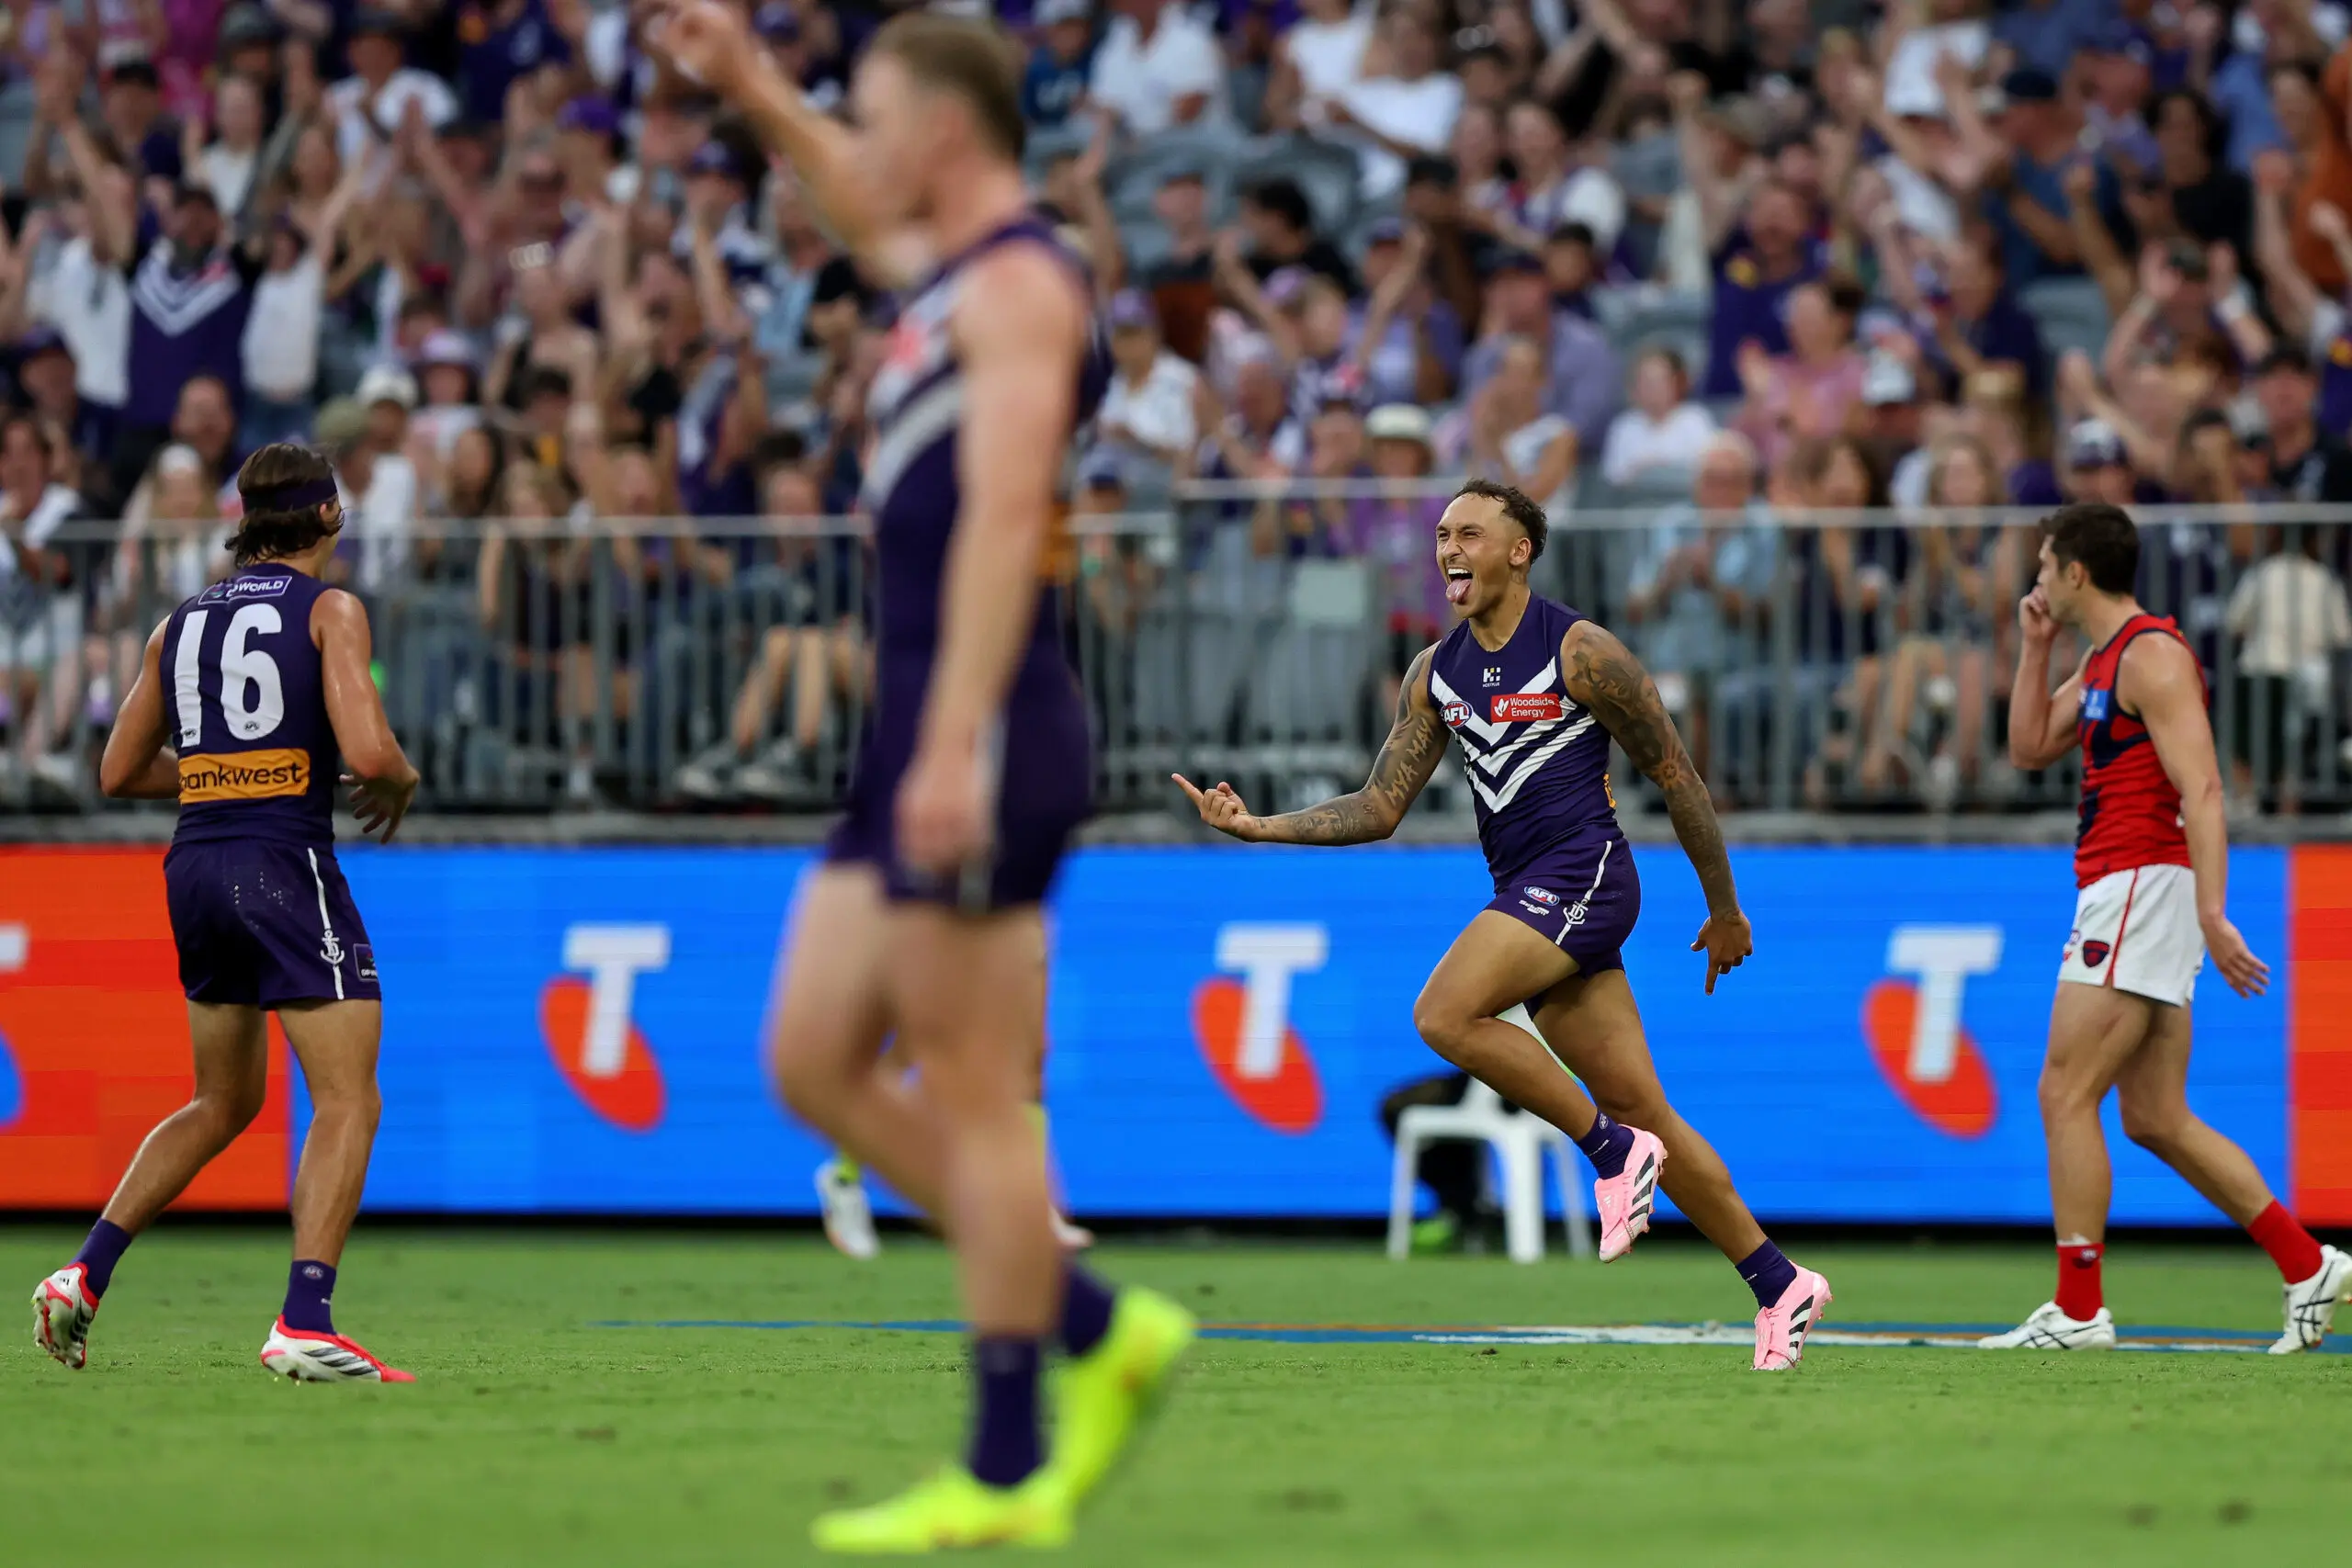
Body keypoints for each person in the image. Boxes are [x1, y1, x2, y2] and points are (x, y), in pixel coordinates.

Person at [640, 1, 1191, 1551]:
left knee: (972, 1094)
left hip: (984, 714)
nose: (860, 144)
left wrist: (951, 741)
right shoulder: (948, 278)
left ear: (946, 131)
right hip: (915, 723)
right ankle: (1097, 1326)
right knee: (812, 1056)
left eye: (877, 114)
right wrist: (749, 80)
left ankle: (1010, 1460)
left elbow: (1012, 516)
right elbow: (851, 192)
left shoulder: (1020, 284)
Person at [1174, 479, 1833, 1372]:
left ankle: (1609, 1153)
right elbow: (1378, 806)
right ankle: (1776, 1280)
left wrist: (1722, 906)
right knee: (1649, 1111)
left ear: (1518, 551)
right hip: (1532, 891)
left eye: (1470, 533)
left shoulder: (1581, 651)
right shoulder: (1434, 674)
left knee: (1443, 1015)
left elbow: (1676, 775)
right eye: (1442, 534)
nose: (1448, 548)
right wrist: (1258, 827)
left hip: (1586, 876)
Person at [30, 443, 421, 1382]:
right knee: (347, 1097)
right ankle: (304, 1318)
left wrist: (215, 778)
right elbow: (367, 754)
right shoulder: (332, 610)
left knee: (223, 1099)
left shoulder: (182, 623)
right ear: (330, 517)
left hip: (196, 864)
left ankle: (84, 1272)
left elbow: (116, 770)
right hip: (281, 860)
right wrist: (400, 776)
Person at [1985, 502, 2349, 1353]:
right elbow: (2030, 744)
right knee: (2153, 1114)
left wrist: (2213, 913)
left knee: (2063, 1091)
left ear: (2078, 571)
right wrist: (2035, 648)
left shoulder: (2152, 654)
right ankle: (2308, 1265)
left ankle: (2079, 1309)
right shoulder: (2104, 657)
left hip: (2141, 883)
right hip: (2131, 887)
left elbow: (2205, 789)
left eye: (2044, 566)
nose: (2036, 580)